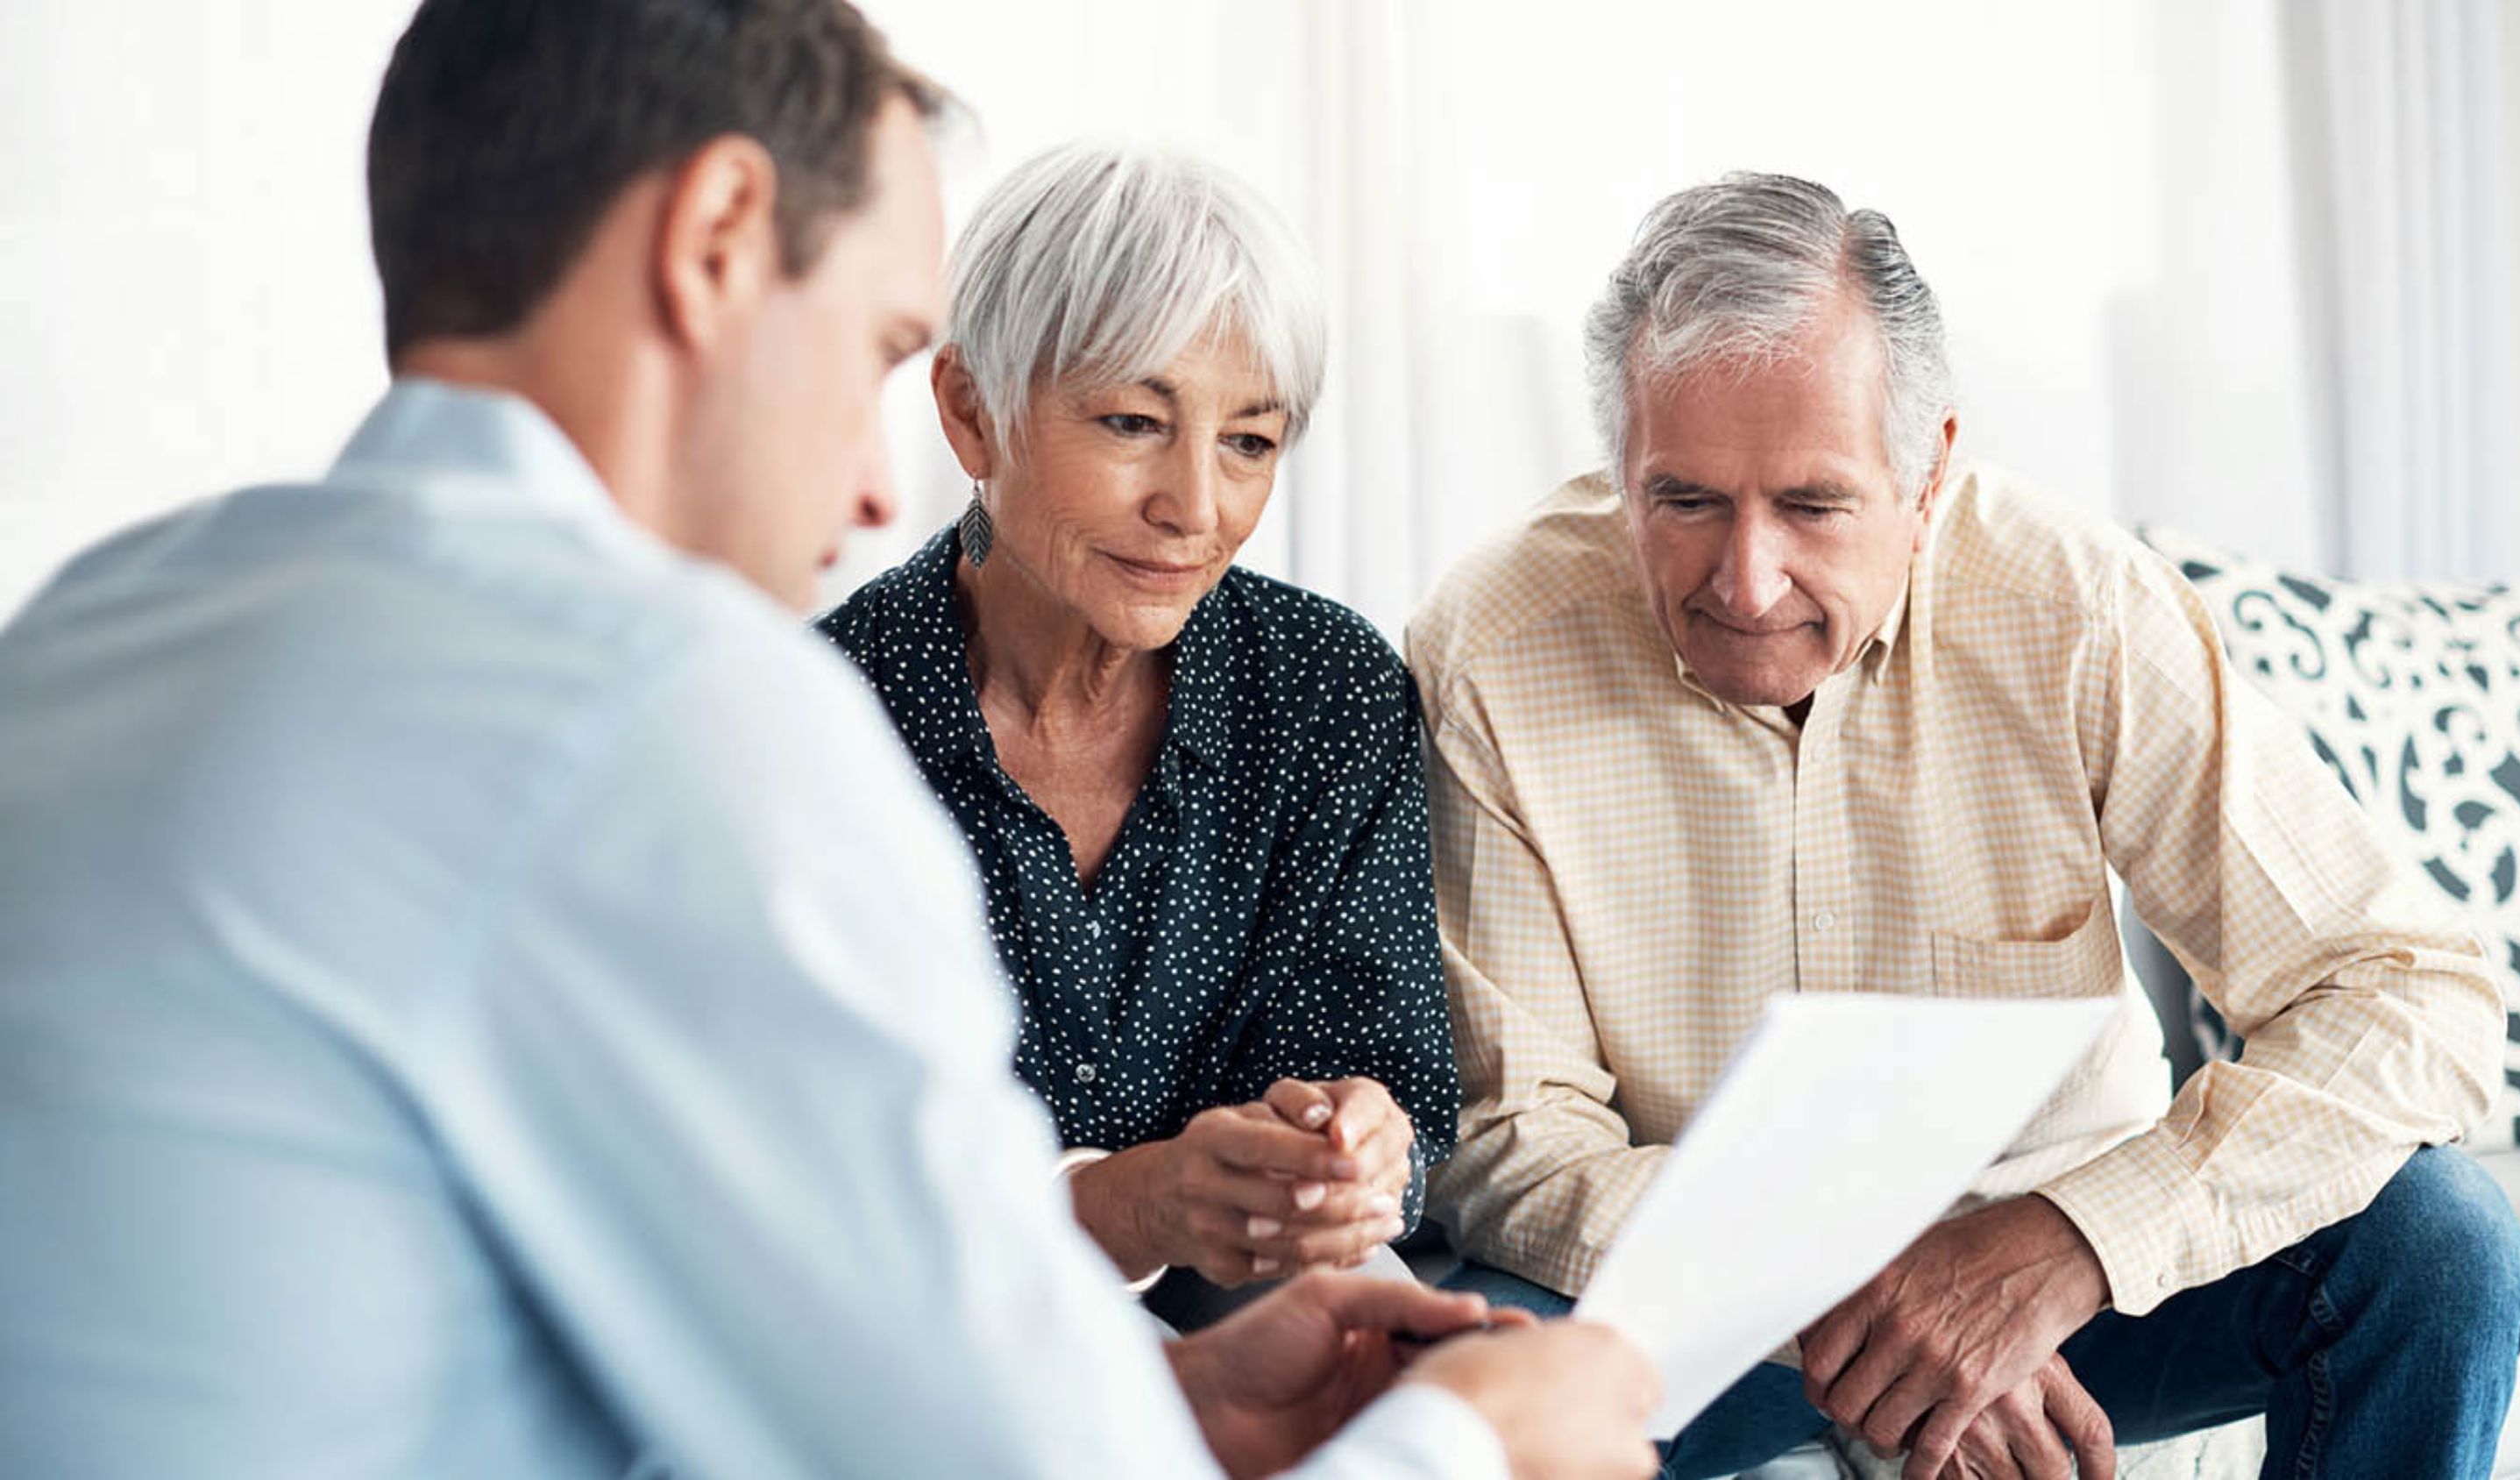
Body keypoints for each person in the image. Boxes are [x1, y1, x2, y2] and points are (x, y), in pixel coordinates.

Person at [0, 3, 1658, 1476]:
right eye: (876, 350)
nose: (877, 492)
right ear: (718, 236)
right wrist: (1474, 1442)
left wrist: (1179, 1403)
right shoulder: (662, 708)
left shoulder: (90, 627)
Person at [1407, 170, 2520, 1480]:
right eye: (1685, 500)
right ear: (1619, 466)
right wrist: (1866, 1303)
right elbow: (1511, 1141)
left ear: (1928, 469)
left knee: (2440, 1247)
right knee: (1457, 1389)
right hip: (1711, 1307)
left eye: (1815, 506)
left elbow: (2408, 992)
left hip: (2062, 1275)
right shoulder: (1494, 645)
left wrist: (2072, 1244)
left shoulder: (2076, 604)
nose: (1745, 580)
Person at [815, 141, 1455, 1320]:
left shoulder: (1328, 690)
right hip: (918, 1343)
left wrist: (1360, 1149)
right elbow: (808, 1190)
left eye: (1250, 443)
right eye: (1129, 422)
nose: (1194, 508)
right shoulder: (814, 719)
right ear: (971, 411)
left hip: (1268, 1316)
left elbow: (1394, 1075)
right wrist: (1129, 1203)